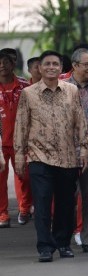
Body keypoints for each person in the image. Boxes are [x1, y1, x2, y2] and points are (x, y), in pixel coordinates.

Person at [13, 50, 88, 262]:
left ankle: (63, 243)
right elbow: (21, 125)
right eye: (46, 64)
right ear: (39, 67)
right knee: (43, 203)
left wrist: (84, 148)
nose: (51, 67)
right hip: (39, 157)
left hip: (67, 157)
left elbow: (80, 120)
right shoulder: (29, 93)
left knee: (66, 205)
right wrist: (19, 155)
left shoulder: (72, 91)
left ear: (61, 67)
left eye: (55, 64)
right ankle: (45, 246)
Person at [64, 48, 88, 253]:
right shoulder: (62, 86)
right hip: (66, 152)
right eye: (87, 64)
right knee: (65, 197)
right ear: (75, 65)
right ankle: (63, 239)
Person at [0, 52, 32, 228]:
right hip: (0, 142)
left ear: (13, 64)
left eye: (6, 62)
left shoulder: (24, 86)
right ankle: (3, 214)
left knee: (24, 177)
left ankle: (24, 208)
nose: (2, 66)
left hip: (21, 141)